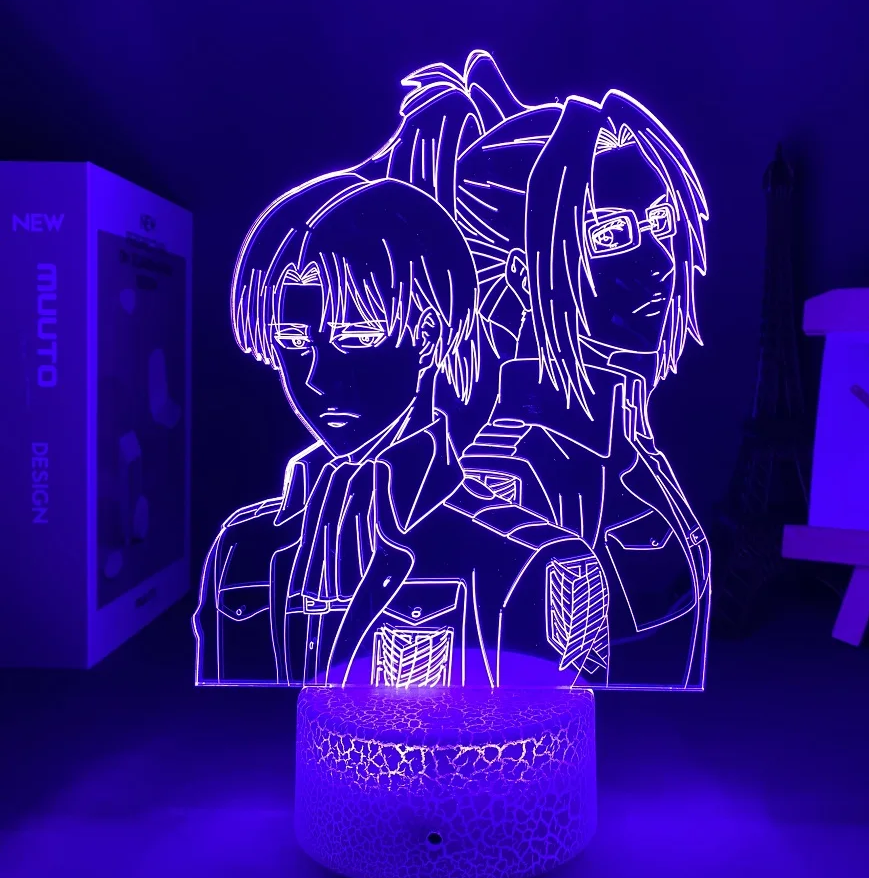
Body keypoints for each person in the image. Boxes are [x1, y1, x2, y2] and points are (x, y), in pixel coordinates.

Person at [365, 54, 712, 688]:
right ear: (526, 274)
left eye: (662, 223)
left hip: (670, 747)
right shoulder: (507, 475)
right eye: (609, 236)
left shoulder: (626, 447)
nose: (659, 260)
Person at [192, 175, 611, 688]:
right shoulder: (243, 546)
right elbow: (220, 716)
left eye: (356, 336)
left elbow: (554, 735)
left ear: (429, 336)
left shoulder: (535, 561)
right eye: (293, 342)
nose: (318, 377)